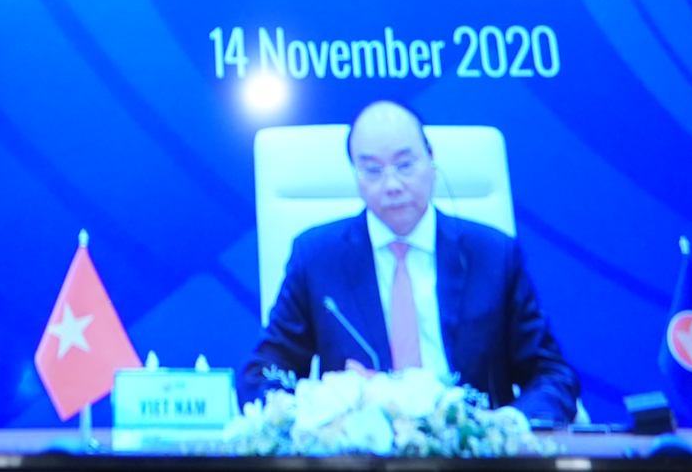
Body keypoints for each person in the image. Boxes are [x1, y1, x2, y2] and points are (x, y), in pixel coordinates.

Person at [237, 100, 578, 424]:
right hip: (361, 451)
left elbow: (551, 374)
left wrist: (507, 427)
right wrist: (311, 419)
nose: (392, 185)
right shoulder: (317, 258)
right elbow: (263, 373)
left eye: (404, 165)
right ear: (355, 176)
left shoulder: (492, 255)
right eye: (372, 170)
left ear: (431, 161)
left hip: (474, 448)